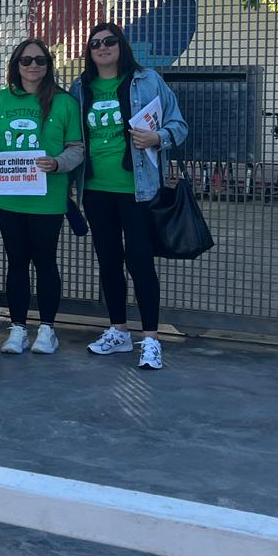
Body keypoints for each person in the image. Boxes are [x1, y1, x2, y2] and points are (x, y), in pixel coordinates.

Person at [68, 22, 188, 370]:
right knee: (108, 261)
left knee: (140, 261)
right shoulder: (79, 88)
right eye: (95, 44)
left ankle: (150, 338)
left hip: (138, 189)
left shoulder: (148, 80)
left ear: (121, 45)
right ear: (88, 52)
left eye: (109, 41)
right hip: (95, 189)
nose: (103, 47)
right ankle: (118, 331)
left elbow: (179, 124)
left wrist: (158, 137)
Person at [0, 40, 85, 355]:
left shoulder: (64, 103)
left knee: (46, 261)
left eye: (40, 60)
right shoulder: (0, 100)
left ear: (48, 65)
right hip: (9, 198)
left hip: (48, 199)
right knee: (17, 262)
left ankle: (47, 329)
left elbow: (77, 148)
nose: (33, 66)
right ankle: (19, 327)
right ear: (16, 65)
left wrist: (57, 163)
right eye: (26, 60)